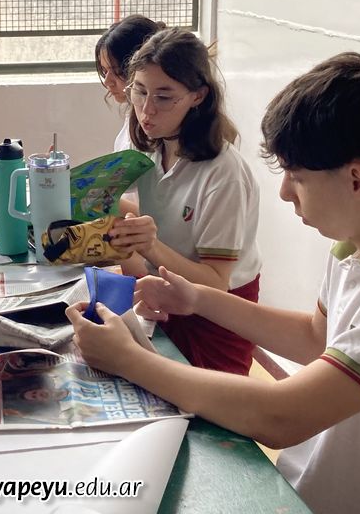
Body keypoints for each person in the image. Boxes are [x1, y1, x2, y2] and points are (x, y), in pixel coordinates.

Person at [68, 52, 360, 514]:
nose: (285, 192)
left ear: (358, 180)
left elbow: (280, 417)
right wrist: (198, 298)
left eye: (296, 177)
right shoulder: (354, 248)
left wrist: (129, 360)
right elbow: (315, 337)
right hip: (306, 493)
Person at [107, 27, 261, 375]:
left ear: (197, 96)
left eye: (164, 97)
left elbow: (216, 282)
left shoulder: (223, 173)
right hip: (164, 296)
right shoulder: (151, 147)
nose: (146, 110)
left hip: (217, 317)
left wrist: (149, 246)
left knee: (204, 403)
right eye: (139, 91)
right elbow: (163, 218)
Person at [94, 14, 166, 151]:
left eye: (118, 71)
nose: (107, 81)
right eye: (104, 71)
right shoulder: (132, 117)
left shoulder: (154, 125)